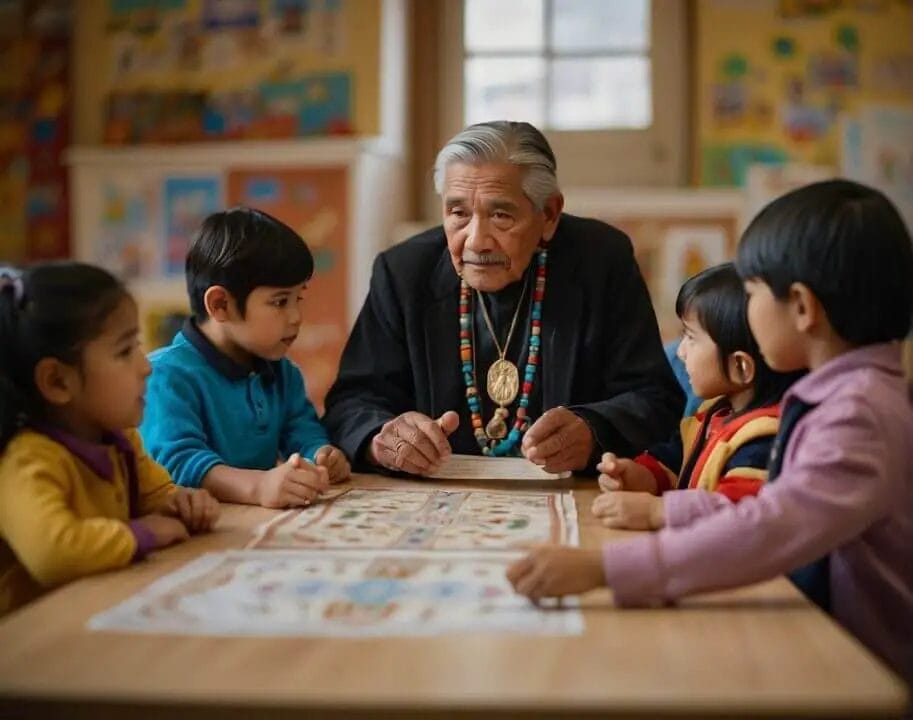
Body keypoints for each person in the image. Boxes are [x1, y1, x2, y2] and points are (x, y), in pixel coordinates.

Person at [506, 180, 913, 686]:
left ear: (803, 308)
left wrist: (604, 568)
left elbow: (769, 527)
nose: (747, 308)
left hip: (861, 670)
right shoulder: (846, 397)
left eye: (752, 293)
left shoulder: (859, 415)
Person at [324, 121, 683, 476]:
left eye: (500, 215)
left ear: (549, 214)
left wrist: (594, 431)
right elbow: (352, 402)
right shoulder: (404, 272)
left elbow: (654, 399)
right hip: (434, 502)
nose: (476, 240)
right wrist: (382, 440)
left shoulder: (601, 262)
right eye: (458, 213)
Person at [0, 262, 219, 616]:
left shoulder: (120, 440)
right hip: (32, 641)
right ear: (57, 381)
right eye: (124, 351)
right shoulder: (27, 461)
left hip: (93, 611)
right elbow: (52, 553)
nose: (145, 365)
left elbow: (158, 497)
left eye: (138, 345)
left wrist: (186, 504)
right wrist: (140, 535)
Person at [140, 208, 350, 509]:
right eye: (280, 302)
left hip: (251, 526)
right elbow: (178, 462)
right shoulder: (166, 375)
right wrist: (257, 487)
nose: (296, 317)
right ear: (221, 304)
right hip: (193, 534)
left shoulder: (282, 372)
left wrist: (319, 454)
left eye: (297, 298)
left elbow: (300, 430)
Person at [593, 263, 802, 531]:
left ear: (740, 366)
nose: (680, 352)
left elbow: (737, 514)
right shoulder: (715, 413)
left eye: (691, 337)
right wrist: (635, 476)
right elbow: (673, 462)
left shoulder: (763, 437)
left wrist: (657, 511)